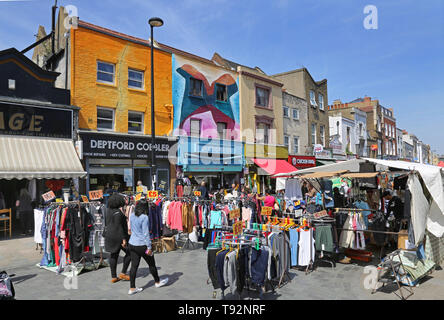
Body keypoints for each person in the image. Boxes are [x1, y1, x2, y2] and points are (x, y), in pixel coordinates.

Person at [128, 199, 168, 295]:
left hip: (132, 243)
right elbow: (146, 234)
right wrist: (149, 247)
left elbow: (131, 228)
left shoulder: (132, 215)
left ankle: (132, 288)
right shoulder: (144, 217)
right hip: (142, 245)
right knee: (151, 264)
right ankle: (157, 281)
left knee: (134, 266)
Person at [104, 193, 131, 283]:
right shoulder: (118, 213)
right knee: (130, 253)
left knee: (114, 255)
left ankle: (114, 276)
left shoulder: (108, 211)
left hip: (110, 236)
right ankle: (123, 273)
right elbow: (119, 226)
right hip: (118, 237)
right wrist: (123, 239)